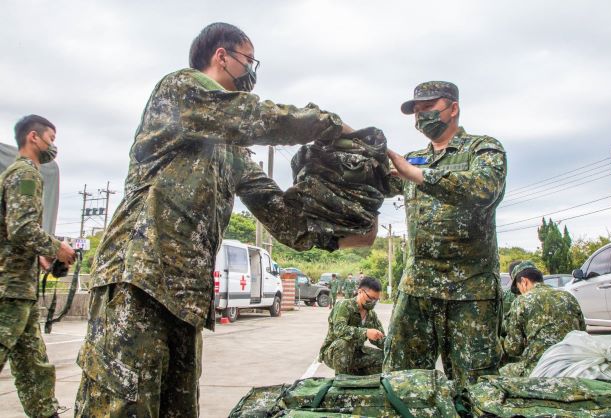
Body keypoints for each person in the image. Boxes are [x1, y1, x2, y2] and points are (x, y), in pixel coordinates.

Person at [73, 22, 373, 417]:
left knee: (176, 410)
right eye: (248, 60)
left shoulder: (230, 153)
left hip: (184, 298)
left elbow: (280, 215)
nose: (251, 72)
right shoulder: (181, 89)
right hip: (137, 278)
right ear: (221, 56)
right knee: (122, 407)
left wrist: (350, 235)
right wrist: (337, 127)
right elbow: (260, 117)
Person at [384, 81, 507, 388]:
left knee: (476, 388)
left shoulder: (483, 148)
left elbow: (484, 187)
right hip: (418, 288)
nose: (421, 116)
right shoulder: (412, 158)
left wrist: (416, 174)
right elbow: (375, 184)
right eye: (417, 111)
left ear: (453, 109)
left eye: (429, 108)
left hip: (469, 292)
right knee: (401, 382)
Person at [0, 115, 77, 418]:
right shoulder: (25, 175)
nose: (52, 146)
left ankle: (46, 413)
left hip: (21, 290)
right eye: (51, 139)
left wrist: (41, 258)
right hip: (10, 291)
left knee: (33, 365)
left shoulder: (17, 174)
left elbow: (13, 232)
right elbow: (21, 229)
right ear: (34, 137)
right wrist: (57, 248)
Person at [500, 261, 586, 377]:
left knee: (499, 374)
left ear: (524, 282)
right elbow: (582, 334)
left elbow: (514, 349)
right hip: (572, 364)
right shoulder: (568, 296)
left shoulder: (522, 301)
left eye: (518, 287)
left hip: (540, 367)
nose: (520, 292)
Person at [319, 276, 385, 375]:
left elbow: (381, 339)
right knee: (343, 343)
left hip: (356, 352)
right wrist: (365, 332)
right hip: (334, 353)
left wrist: (394, 346)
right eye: (370, 298)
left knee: (384, 357)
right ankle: (342, 383)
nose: (373, 302)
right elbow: (339, 330)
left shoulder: (371, 315)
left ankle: (358, 378)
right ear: (360, 291)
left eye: (376, 300)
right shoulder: (344, 306)